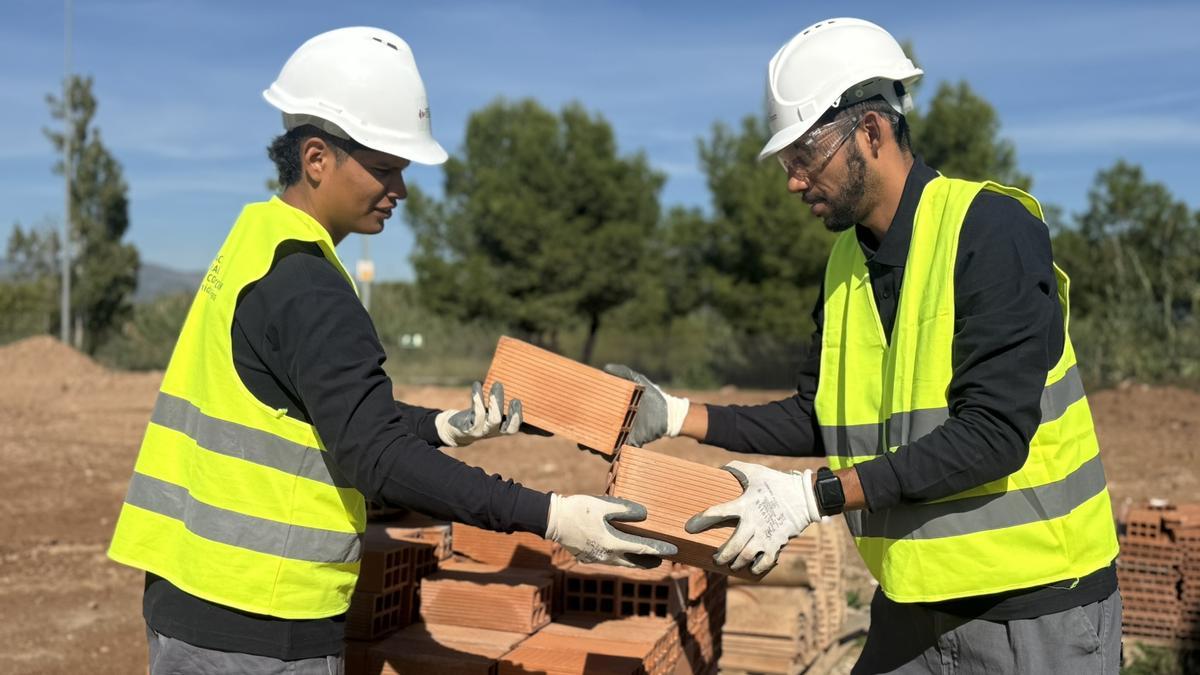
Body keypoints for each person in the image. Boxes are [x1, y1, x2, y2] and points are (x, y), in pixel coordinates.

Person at [107, 27, 674, 675]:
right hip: (263, 627)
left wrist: (440, 427)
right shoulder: (314, 290)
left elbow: (313, 404)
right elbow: (375, 456)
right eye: (385, 168)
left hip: (192, 599)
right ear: (317, 158)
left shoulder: (256, 245)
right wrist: (552, 514)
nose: (400, 190)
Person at [608, 17, 1121, 674]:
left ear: (871, 132)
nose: (794, 181)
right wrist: (678, 415)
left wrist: (811, 496)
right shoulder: (845, 264)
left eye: (804, 156)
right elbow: (820, 412)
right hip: (912, 604)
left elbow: (993, 434)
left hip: (1033, 612)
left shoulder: (990, 231)